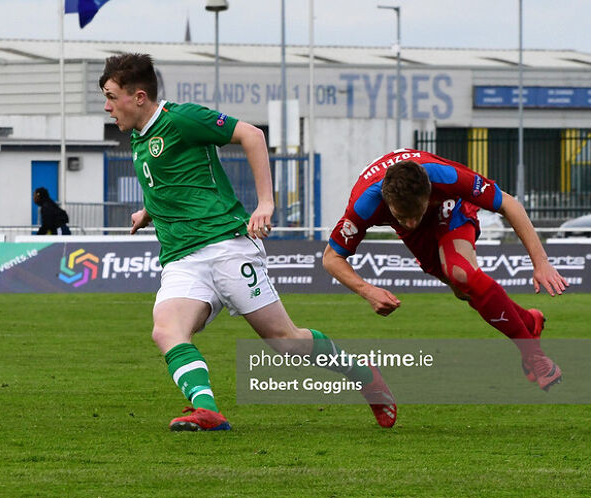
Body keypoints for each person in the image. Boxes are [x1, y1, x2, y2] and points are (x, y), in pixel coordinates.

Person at [99, 53, 397, 431]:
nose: (107, 107)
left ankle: (365, 378)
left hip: (226, 246)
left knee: (285, 341)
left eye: (111, 97)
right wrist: (149, 211)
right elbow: (180, 181)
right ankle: (207, 411)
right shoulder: (142, 139)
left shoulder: (182, 119)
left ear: (138, 97)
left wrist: (266, 203)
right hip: (181, 258)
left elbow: (251, 135)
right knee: (166, 330)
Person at [322, 149, 568, 391]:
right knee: (463, 291)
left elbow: (507, 203)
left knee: (460, 272)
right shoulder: (365, 203)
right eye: (400, 216)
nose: (409, 221)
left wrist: (541, 263)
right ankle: (528, 322)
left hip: (450, 208)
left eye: (414, 213)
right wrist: (367, 291)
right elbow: (332, 257)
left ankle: (534, 356)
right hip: (415, 234)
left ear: (428, 192)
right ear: (387, 203)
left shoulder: (445, 177)